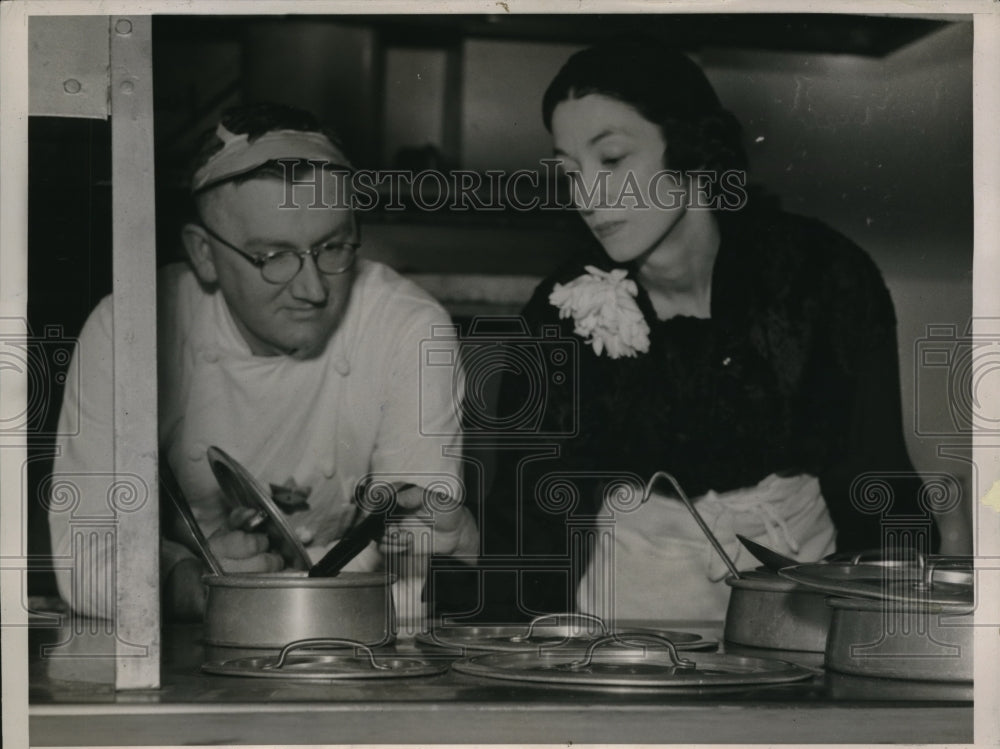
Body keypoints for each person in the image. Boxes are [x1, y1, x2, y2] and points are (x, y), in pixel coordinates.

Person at [482, 40, 939, 624]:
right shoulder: (560, 313)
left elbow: (878, 487)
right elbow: (525, 526)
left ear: (692, 146)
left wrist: (883, 635)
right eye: (570, 171)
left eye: (612, 159)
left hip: (804, 598)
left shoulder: (822, 278)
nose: (588, 196)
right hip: (633, 608)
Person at [47, 103, 478, 621]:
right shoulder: (131, 326)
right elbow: (85, 550)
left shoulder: (408, 326)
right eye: (272, 257)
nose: (313, 289)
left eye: (333, 246)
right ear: (203, 254)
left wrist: (280, 597)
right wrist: (190, 585)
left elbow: (412, 573)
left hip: (347, 627)